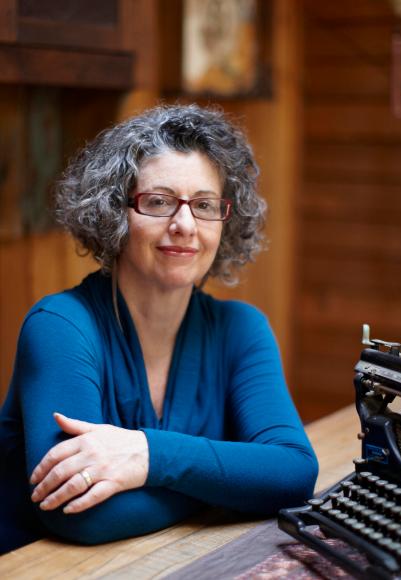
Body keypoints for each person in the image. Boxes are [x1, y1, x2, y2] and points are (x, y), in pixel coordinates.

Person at [0, 104, 318, 554]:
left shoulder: (241, 330)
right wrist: (232, 482)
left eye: (204, 205)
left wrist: (148, 456)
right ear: (114, 213)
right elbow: (80, 513)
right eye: (158, 202)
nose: (184, 225)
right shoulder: (61, 327)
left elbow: (293, 473)